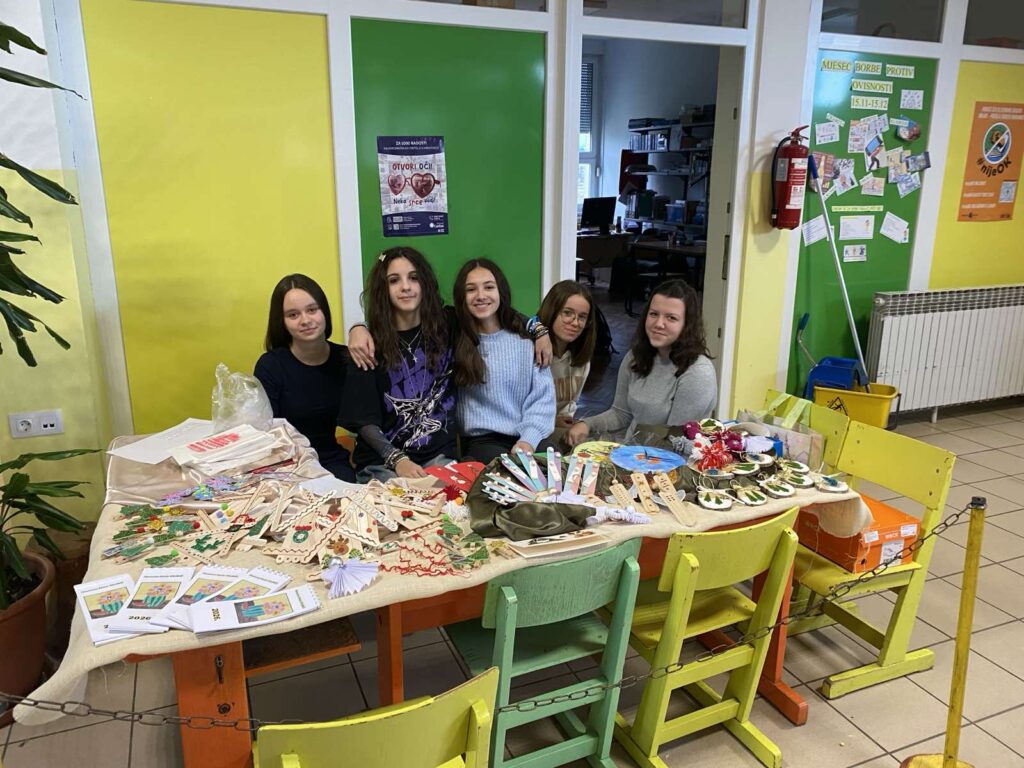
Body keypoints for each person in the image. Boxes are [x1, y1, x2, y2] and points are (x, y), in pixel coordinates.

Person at [339, 247, 458, 481]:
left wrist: (533, 328)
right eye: (394, 280)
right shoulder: (367, 346)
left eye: (414, 278)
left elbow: (494, 311)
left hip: (438, 459)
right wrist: (398, 460)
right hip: (382, 463)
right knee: (399, 500)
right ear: (383, 289)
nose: (405, 286)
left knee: (447, 499)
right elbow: (364, 421)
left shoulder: (448, 325)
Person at [566, 279, 716, 445]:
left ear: (687, 324)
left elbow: (675, 441)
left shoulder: (698, 372)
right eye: (654, 314)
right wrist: (586, 424)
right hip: (632, 452)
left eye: (671, 318)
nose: (659, 324)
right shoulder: (634, 357)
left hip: (670, 457)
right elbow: (620, 414)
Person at [453, 259, 555, 464]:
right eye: (471, 289)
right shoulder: (454, 339)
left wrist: (528, 440)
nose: (481, 295)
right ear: (462, 297)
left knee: (553, 475)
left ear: (501, 291)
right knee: (499, 478)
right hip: (482, 440)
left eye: (489, 287)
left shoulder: (527, 341)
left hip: (528, 435)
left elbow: (543, 399)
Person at [254, 274, 355, 481]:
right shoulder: (270, 366)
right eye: (293, 315)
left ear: (324, 311)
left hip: (330, 460)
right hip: (286, 464)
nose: (305, 320)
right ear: (282, 322)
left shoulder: (346, 359)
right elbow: (266, 435)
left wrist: (359, 328)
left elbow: (364, 418)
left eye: (312, 310)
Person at [537, 280, 595, 444]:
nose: (575, 323)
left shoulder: (582, 360)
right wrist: (553, 421)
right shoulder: (533, 352)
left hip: (558, 429)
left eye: (582, 317)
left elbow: (569, 409)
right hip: (530, 432)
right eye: (567, 313)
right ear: (552, 311)